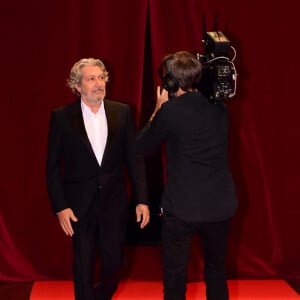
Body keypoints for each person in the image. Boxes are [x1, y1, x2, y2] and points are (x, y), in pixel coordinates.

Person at [46, 57, 150, 300]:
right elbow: (51, 168)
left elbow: (134, 159)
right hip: (78, 207)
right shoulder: (62, 117)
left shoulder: (122, 112)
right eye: (91, 79)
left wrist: (142, 200)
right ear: (77, 85)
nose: (98, 83)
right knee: (83, 266)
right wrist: (60, 206)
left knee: (114, 263)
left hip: (113, 203)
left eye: (101, 78)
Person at [136, 51, 237, 300]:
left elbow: (140, 148)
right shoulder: (219, 109)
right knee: (216, 271)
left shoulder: (170, 112)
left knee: (175, 275)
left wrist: (157, 109)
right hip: (220, 206)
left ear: (170, 83)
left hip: (182, 208)